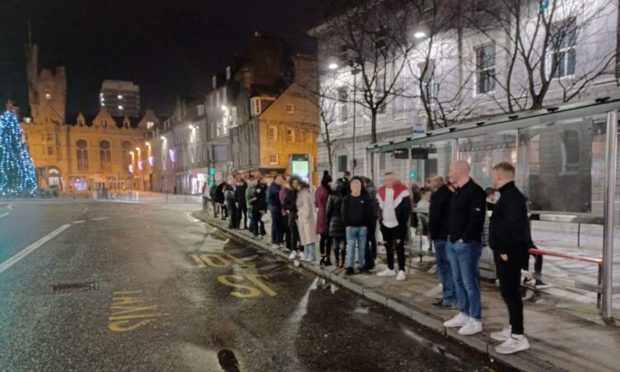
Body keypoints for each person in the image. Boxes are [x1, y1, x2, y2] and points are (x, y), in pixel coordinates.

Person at [489, 162, 531, 354]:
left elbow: (511, 226)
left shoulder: (512, 197)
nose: (492, 180)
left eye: (493, 176)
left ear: (499, 176)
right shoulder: (509, 195)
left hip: (509, 253)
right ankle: (513, 327)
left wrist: (504, 249)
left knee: (511, 292)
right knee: (507, 291)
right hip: (507, 251)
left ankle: (518, 336)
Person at [443, 160, 486, 336]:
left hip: (467, 244)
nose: (449, 173)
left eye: (451, 169)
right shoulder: (458, 192)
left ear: (461, 171)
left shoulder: (475, 191)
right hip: (453, 242)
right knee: (458, 280)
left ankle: (475, 319)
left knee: (469, 282)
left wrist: (463, 238)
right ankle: (464, 313)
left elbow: (476, 219)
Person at [376, 172, 412, 281]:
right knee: (388, 247)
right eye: (386, 179)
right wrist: (380, 222)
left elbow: (406, 210)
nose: (388, 181)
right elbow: (377, 208)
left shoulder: (403, 191)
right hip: (385, 223)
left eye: (390, 179)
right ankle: (390, 268)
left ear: (395, 179)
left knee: (399, 248)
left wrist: (402, 225)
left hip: (398, 224)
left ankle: (401, 270)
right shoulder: (380, 191)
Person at [428, 176, 456, 308]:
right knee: (450, 268)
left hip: (440, 236)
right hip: (450, 236)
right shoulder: (453, 195)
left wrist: (432, 234)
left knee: (444, 268)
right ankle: (450, 296)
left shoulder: (438, 196)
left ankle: (449, 297)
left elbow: (434, 217)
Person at [342, 177, 373, 275]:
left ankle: (362, 266)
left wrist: (365, 225)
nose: (356, 187)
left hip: (362, 228)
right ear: (351, 187)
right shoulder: (347, 198)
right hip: (350, 228)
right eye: (354, 185)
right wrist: (347, 225)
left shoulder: (365, 198)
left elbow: (368, 212)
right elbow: (343, 213)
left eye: (358, 185)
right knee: (350, 248)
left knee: (362, 248)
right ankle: (350, 267)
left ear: (361, 187)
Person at [327, 179, 347, 268]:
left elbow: (328, 210)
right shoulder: (346, 196)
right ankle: (342, 261)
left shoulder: (332, 196)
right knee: (343, 243)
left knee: (336, 243)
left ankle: (337, 261)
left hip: (334, 220)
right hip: (344, 221)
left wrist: (327, 221)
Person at [296, 181, 317, 262]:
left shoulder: (306, 196)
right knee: (305, 238)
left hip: (307, 220)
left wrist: (304, 217)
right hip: (304, 219)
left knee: (309, 238)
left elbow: (307, 209)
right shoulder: (303, 195)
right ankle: (306, 254)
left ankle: (311, 255)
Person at [361, 176, 379, 270]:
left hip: (370, 216)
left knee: (369, 237)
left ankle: (372, 257)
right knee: (371, 237)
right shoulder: (372, 188)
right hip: (373, 215)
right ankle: (373, 256)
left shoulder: (368, 190)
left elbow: (367, 202)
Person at [316, 171, 332, 266]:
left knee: (322, 237)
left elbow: (316, 203)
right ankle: (327, 257)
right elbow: (328, 205)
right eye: (330, 182)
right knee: (328, 238)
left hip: (320, 214)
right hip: (326, 214)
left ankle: (322, 255)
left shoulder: (318, 190)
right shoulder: (326, 191)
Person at [284, 177, 302, 260]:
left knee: (302, 234)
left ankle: (302, 250)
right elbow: (284, 204)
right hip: (292, 214)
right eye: (294, 183)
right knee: (293, 233)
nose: (295, 184)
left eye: (297, 183)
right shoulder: (289, 193)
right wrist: (290, 208)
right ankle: (293, 250)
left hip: (301, 214)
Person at [268, 174, 285, 249]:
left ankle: (280, 240)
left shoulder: (280, 187)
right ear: (276, 179)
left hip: (280, 208)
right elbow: (272, 198)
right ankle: (274, 241)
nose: (281, 180)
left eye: (281, 179)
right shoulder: (273, 187)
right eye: (280, 178)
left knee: (281, 225)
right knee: (275, 224)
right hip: (275, 208)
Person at [251, 173, 267, 239]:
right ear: (260, 180)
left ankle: (259, 233)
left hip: (260, 207)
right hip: (257, 207)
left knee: (260, 221)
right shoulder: (258, 187)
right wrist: (261, 208)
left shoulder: (265, 187)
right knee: (257, 221)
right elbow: (258, 198)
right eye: (263, 179)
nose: (265, 180)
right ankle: (257, 233)